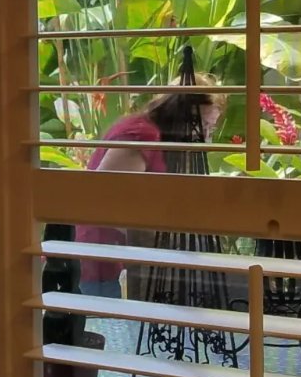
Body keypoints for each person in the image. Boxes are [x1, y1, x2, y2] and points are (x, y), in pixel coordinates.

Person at [74, 82, 223, 298]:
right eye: (202, 125)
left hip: (113, 260)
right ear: (180, 114)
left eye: (211, 128)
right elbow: (104, 199)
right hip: (98, 262)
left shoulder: (156, 136)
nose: (205, 136)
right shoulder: (142, 135)